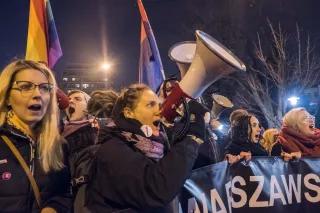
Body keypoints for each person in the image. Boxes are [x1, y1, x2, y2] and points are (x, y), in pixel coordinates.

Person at [85, 83, 207, 212]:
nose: (159, 111)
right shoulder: (112, 149)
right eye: (150, 105)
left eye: (159, 105)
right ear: (128, 113)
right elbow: (155, 189)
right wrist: (191, 139)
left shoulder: (157, 145)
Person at [0, 59, 71, 212]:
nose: (38, 94)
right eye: (25, 87)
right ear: (7, 98)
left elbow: (63, 194)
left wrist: (54, 208)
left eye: (45, 88)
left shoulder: (58, 145)